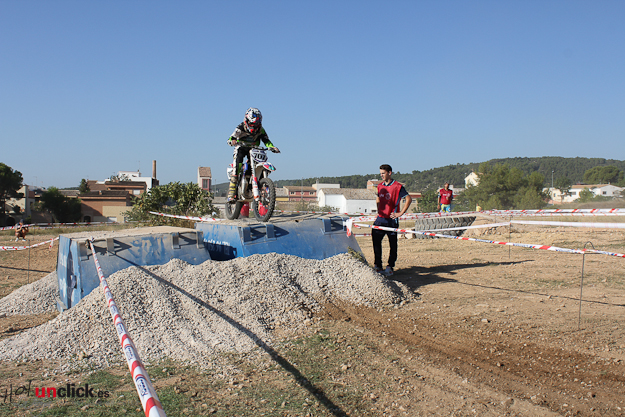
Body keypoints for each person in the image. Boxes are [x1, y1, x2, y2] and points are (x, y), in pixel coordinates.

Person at [226, 108, 280, 202]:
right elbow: (232, 137)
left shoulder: (261, 130)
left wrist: (272, 147)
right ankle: (231, 193)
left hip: (254, 149)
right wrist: (232, 141)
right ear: (247, 121)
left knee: (257, 165)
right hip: (241, 147)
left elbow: (266, 140)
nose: (254, 126)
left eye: (256, 124)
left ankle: (260, 186)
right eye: (252, 124)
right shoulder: (240, 127)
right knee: (237, 165)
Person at [372, 164, 412, 276]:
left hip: (391, 220)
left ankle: (390, 266)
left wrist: (400, 213)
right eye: (380, 173)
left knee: (393, 245)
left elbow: (408, 198)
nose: (381, 175)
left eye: (383, 173)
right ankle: (378, 266)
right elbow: (378, 198)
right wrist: (378, 210)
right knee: (376, 242)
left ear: (389, 173)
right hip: (380, 219)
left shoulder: (397, 186)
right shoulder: (380, 186)